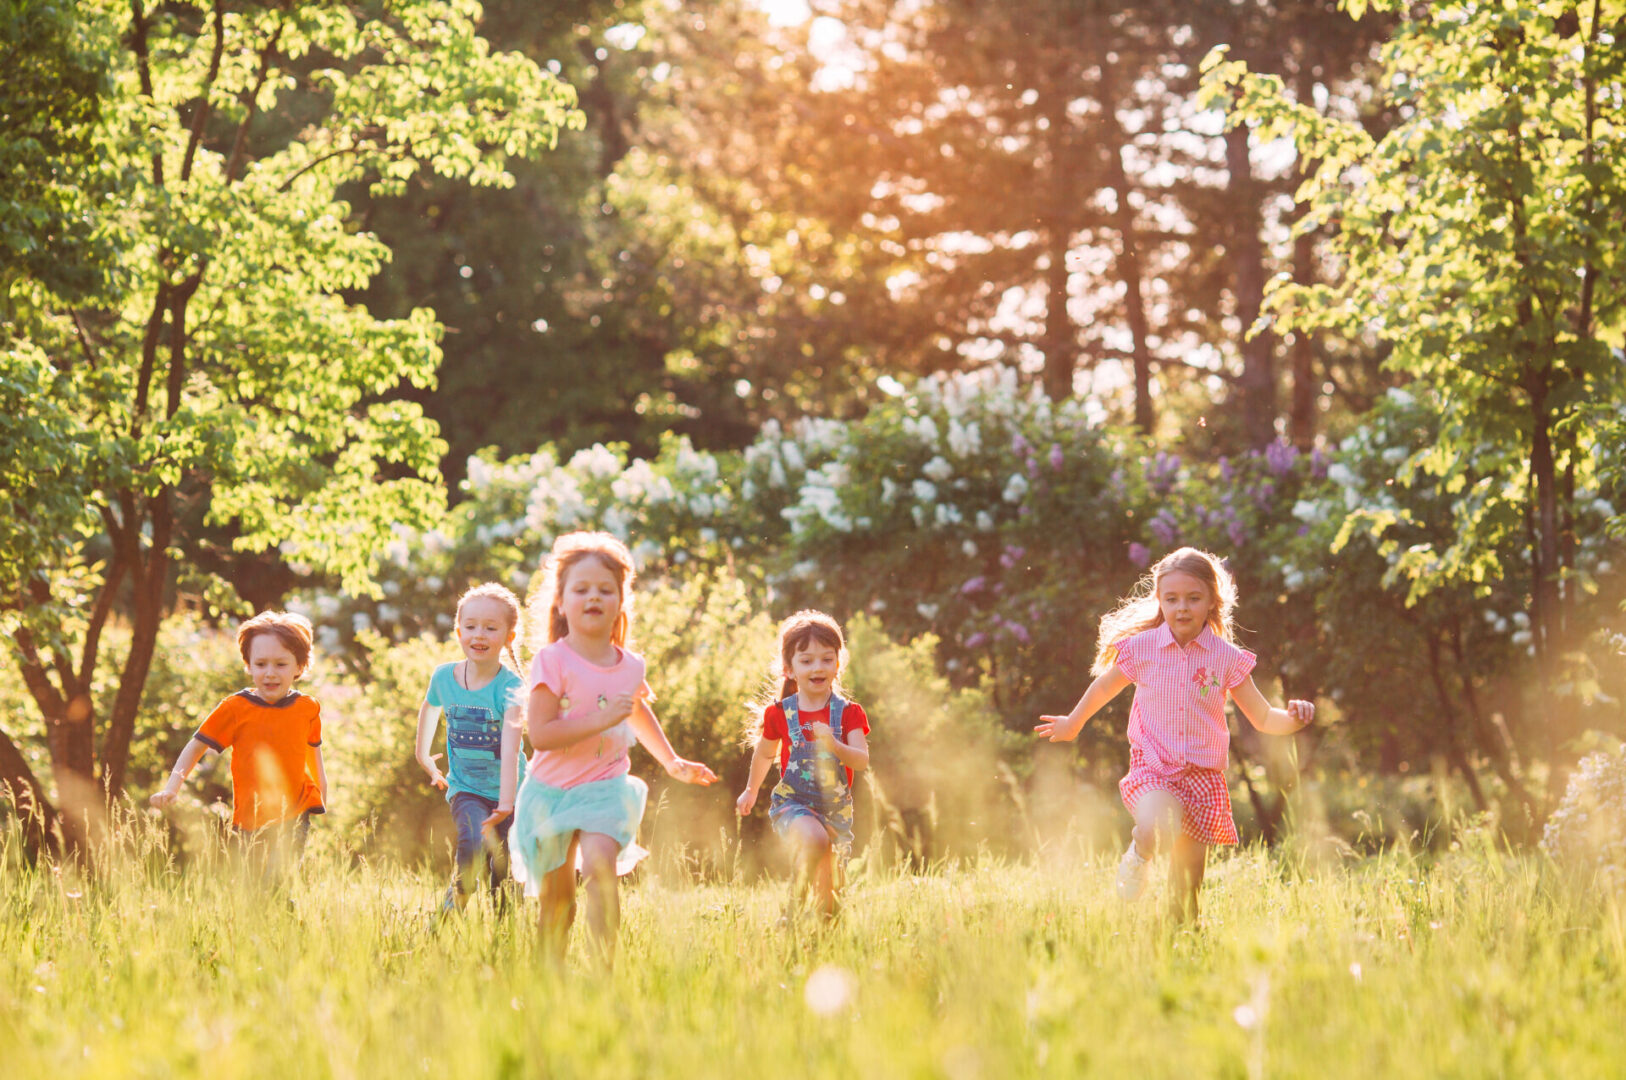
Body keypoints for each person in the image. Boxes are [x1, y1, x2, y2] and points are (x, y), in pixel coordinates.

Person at [1036, 547, 1313, 922]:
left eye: (1193, 598)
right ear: (1160, 601)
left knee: (1187, 892)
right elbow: (1104, 688)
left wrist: (1294, 719)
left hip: (1202, 779)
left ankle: (1177, 940)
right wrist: (1073, 722)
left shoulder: (1225, 657)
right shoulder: (1144, 648)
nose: (1182, 608)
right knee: (1155, 826)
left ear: (1212, 601)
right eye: (1172, 599)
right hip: (1154, 769)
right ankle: (1139, 853)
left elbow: (1263, 717)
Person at [509, 531, 718, 963]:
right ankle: (550, 974)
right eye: (581, 589)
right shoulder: (553, 660)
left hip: (605, 787)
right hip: (549, 792)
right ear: (561, 602)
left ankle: (604, 970)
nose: (594, 597)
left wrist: (673, 760)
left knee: (601, 865)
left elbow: (637, 712)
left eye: (606, 590)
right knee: (557, 898)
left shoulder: (630, 664)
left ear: (621, 601)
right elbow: (542, 734)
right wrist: (601, 720)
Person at [150, 611, 329, 874]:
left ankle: (283, 911)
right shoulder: (235, 708)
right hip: (249, 820)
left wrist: (323, 795)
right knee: (253, 892)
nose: (270, 673)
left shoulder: (307, 707)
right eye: (261, 664)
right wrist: (172, 787)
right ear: (248, 665)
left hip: (295, 813)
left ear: (299, 667)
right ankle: (283, 915)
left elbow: (313, 756)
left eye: (281, 664)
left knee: (277, 882)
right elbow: (196, 746)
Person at [736, 610, 870, 920]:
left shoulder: (849, 713)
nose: (818, 667)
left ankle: (812, 940)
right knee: (813, 838)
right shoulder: (780, 714)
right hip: (793, 804)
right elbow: (766, 753)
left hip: (835, 810)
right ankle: (792, 910)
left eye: (826, 658)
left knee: (830, 904)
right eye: (806, 660)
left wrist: (835, 745)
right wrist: (750, 790)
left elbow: (861, 760)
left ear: (838, 663)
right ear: (789, 669)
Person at [415, 582, 526, 914]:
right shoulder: (444, 676)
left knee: (504, 872)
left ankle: (505, 938)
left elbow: (511, 748)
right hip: (467, 789)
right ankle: (447, 918)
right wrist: (423, 756)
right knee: (473, 845)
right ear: (458, 629)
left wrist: (506, 803)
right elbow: (430, 708)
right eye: (471, 626)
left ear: (509, 636)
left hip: (512, 792)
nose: (479, 635)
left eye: (491, 628)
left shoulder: (510, 686)